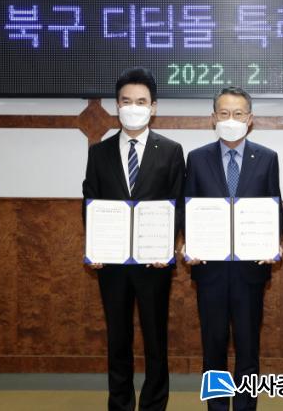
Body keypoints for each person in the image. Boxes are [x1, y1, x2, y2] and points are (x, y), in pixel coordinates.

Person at [82, 67, 184, 411]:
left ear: (153, 107)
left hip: (154, 263)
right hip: (111, 263)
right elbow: (90, 200)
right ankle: (120, 403)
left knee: (156, 338)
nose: (133, 107)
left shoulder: (171, 150)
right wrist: (94, 246)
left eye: (141, 101)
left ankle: (154, 404)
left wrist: (168, 246)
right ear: (117, 105)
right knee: (118, 338)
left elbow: (178, 202)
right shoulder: (99, 152)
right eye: (126, 101)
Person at [184, 86, 281, 411]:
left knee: (248, 347)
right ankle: (217, 407)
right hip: (209, 270)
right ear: (213, 118)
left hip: (250, 271)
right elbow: (188, 209)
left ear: (249, 119)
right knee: (213, 348)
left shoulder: (267, 158)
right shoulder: (197, 158)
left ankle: (245, 407)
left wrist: (273, 242)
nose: (231, 119)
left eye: (238, 114)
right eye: (224, 113)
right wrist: (188, 243)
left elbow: (274, 208)